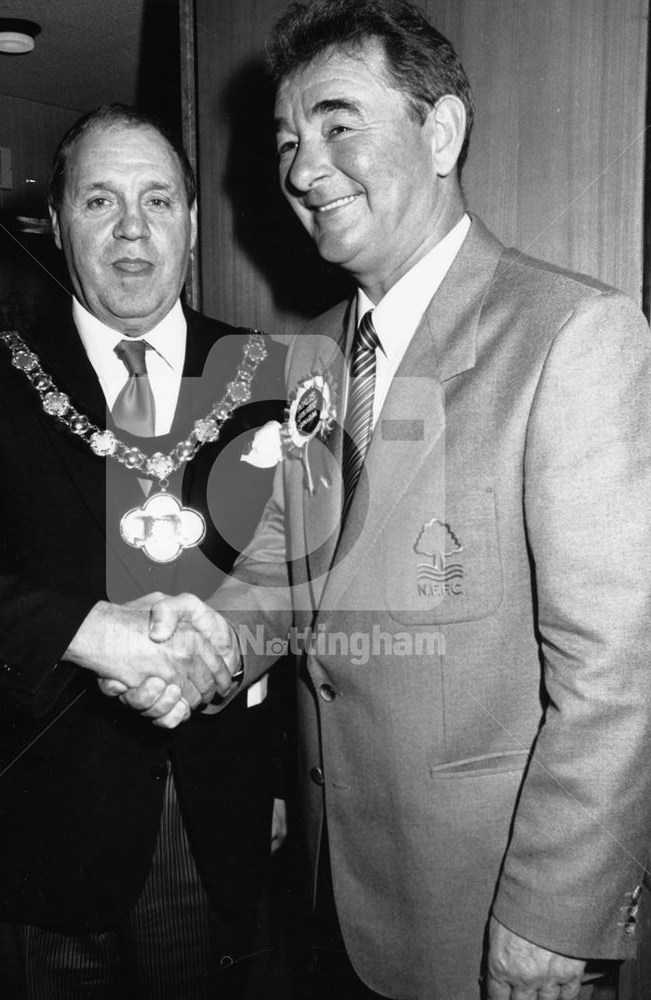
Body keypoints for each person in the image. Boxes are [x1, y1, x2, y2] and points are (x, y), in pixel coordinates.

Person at [121, 3, 651, 998]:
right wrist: (196, 649)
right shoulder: (313, 355)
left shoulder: (572, 334)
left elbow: (619, 666)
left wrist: (551, 916)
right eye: (285, 143)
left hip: (496, 913)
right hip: (332, 891)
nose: (302, 169)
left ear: (439, 131)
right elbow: (284, 564)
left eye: (335, 124)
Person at [0, 103, 288, 999]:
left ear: (193, 223)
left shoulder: (266, 376)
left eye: (159, 201)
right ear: (56, 222)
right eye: (100, 201)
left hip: (208, 818)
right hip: (34, 828)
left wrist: (270, 768)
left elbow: (292, 579)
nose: (131, 230)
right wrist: (94, 633)